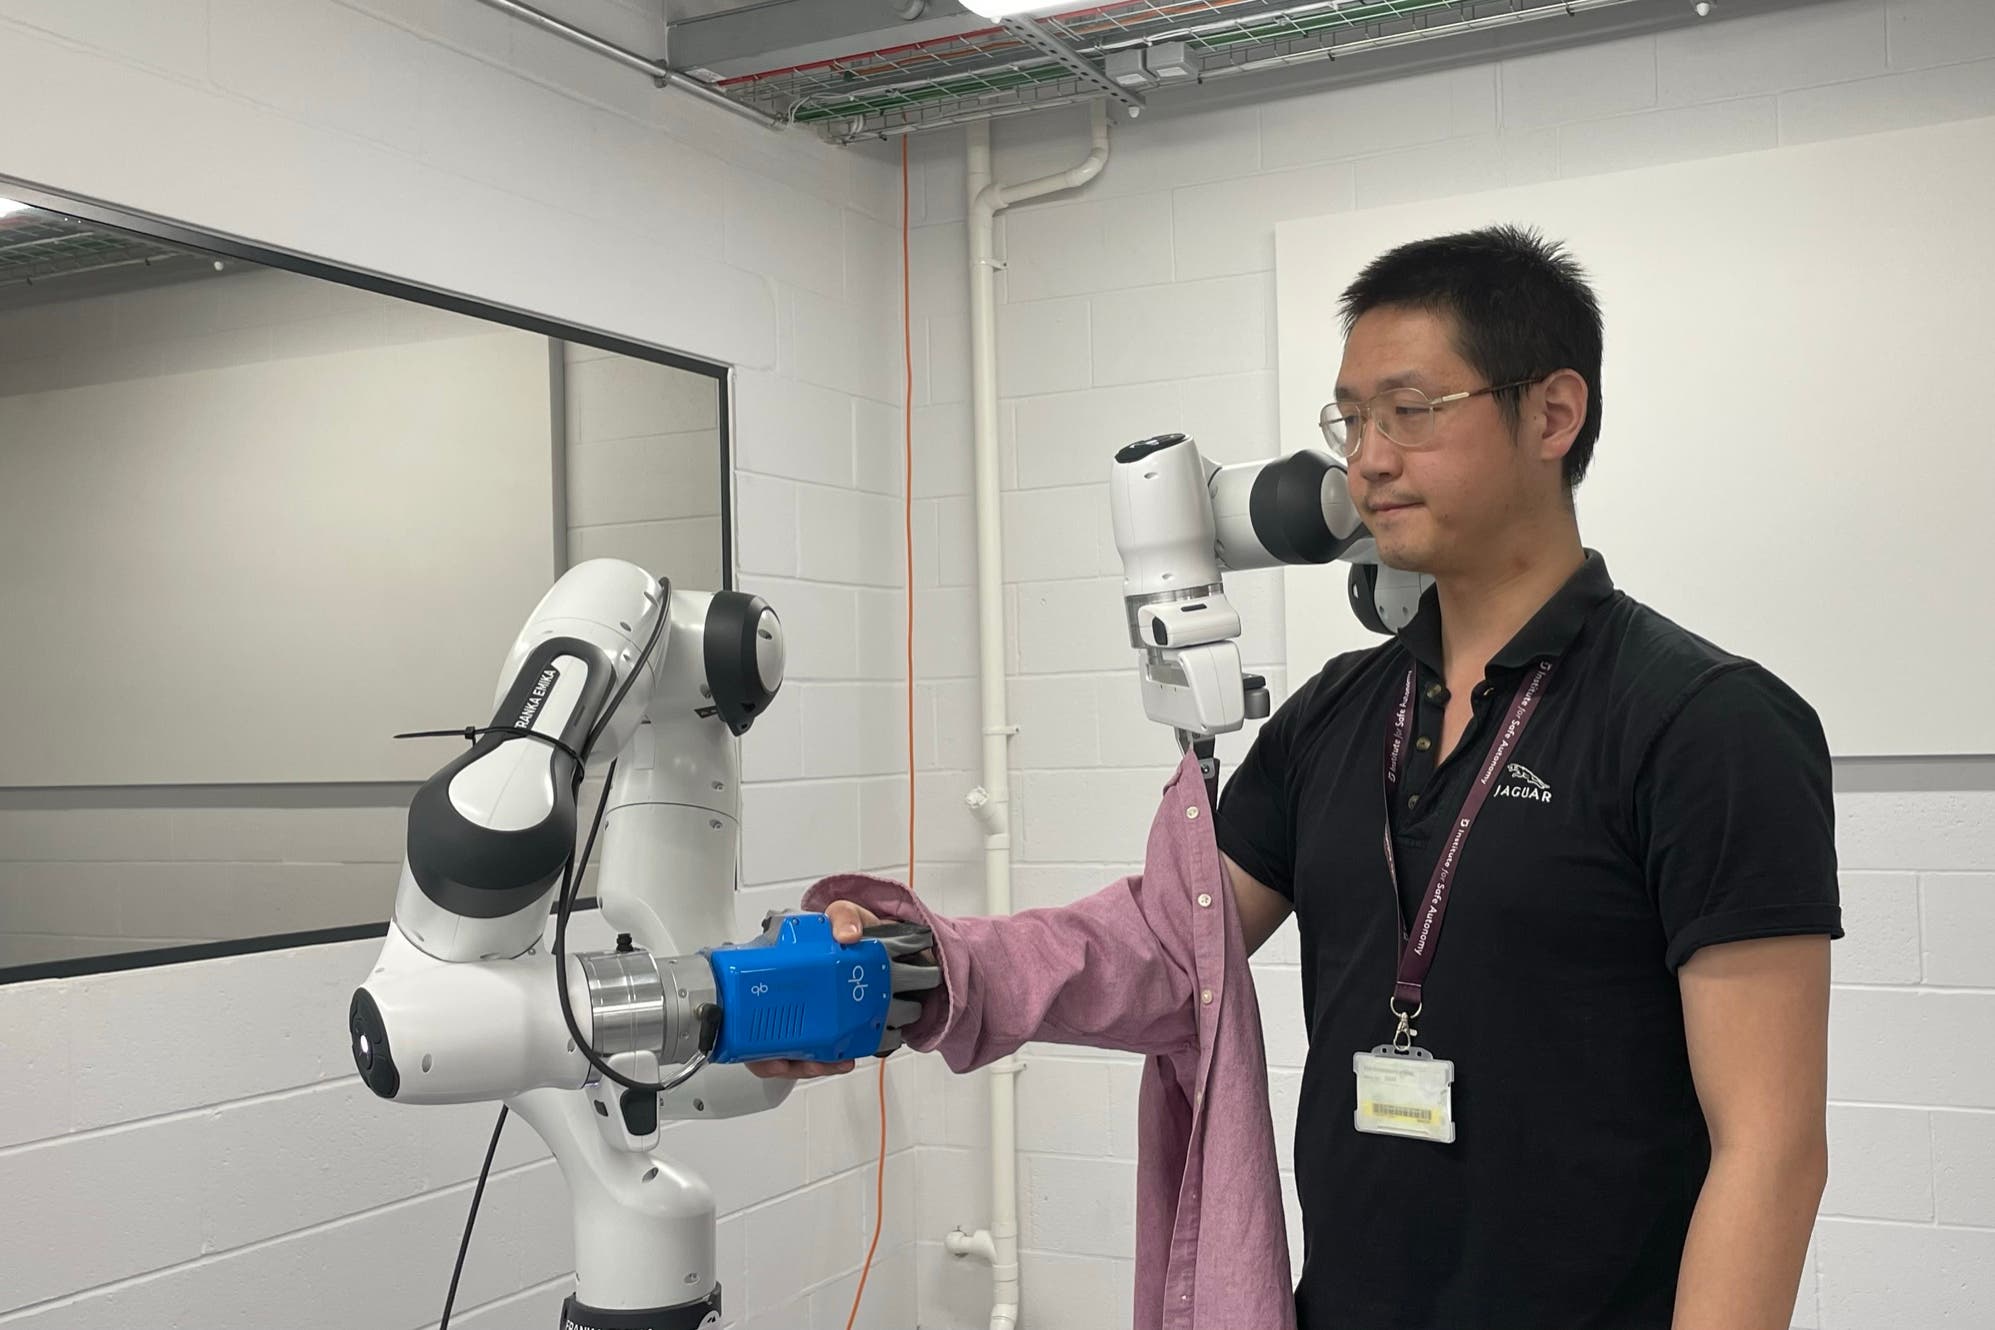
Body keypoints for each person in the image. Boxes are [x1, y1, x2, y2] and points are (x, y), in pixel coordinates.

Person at [765, 225, 1843, 1330]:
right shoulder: (1337, 714)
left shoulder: (1706, 723)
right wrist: (918, 971)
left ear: (1552, 415)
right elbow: (1159, 946)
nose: (1367, 459)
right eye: (1353, 418)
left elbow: (1771, 1147)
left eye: (1411, 411)